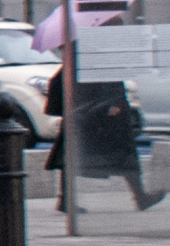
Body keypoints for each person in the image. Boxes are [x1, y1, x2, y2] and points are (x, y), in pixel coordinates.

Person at [44, 44, 163, 211]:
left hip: (87, 113)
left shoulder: (78, 54)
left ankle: (66, 200)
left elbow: (59, 82)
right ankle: (140, 197)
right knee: (121, 153)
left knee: (73, 156)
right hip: (97, 113)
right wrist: (113, 101)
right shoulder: (90, 50)